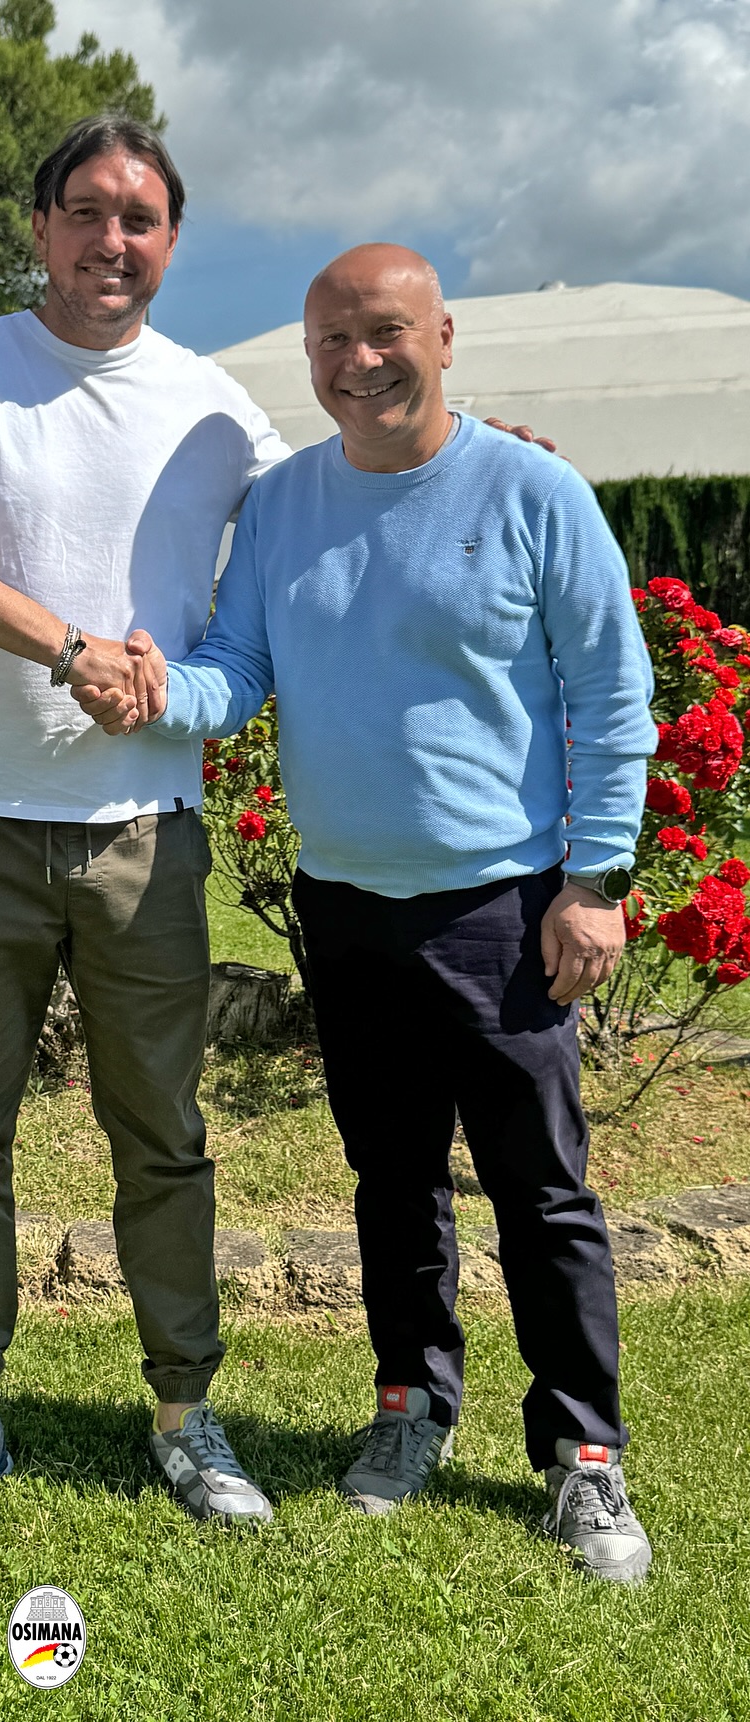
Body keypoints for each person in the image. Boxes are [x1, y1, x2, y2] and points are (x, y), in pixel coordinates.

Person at [78, 244, 657, 1584]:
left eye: (386, 331)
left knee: (543, 1192)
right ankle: (412, 1404)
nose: (360, 361)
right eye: (332, 340)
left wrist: (596, 881)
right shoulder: (283, 506)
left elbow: (610, 693)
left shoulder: (534, 492)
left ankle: (583, 1454)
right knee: (392, 1180)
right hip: (344, 907)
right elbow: (239, 669)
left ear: (443, 338)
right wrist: (161, 688)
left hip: (506, 907)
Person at [0, 114, 293, 1535]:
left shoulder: (214, 405)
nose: (112, 239)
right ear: (39, 226)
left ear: (172, 240)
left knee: (162, 1133)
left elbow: (325, 522)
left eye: (139, 218)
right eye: (87, 211)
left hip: (143, 828)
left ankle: (184, 1412)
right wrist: (67, 646)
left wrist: (468, 463)